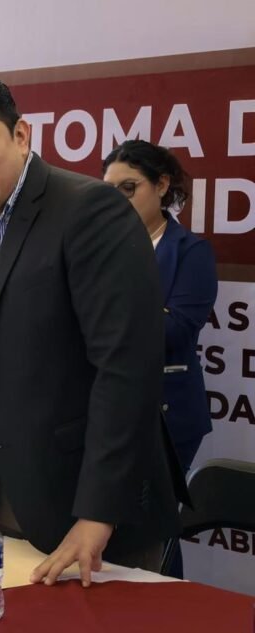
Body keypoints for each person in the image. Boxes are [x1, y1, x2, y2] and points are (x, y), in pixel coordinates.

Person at [0, 73, 185, 585]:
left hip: (90, 510)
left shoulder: (90, 210)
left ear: (20, 136)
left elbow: (127, 369)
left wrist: (97, 513)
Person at [102, 140, 218, 470]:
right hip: (102, 411)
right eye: (109, 191)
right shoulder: (94, 249)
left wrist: (100, 312)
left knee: (149, 518)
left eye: (128, 188)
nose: (118, 201)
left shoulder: (191, 252)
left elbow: (173, 331)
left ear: (162, 184)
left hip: (167, 416)